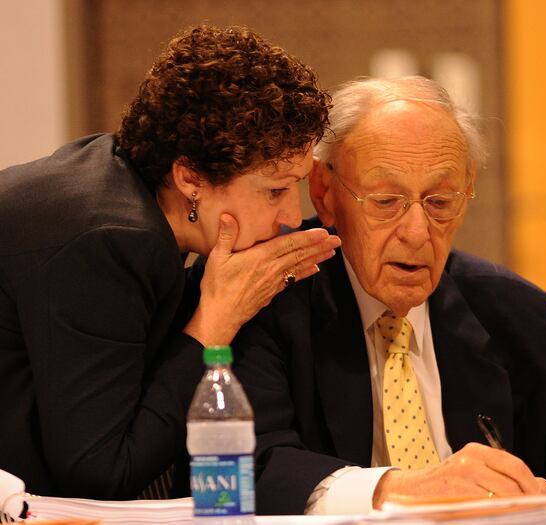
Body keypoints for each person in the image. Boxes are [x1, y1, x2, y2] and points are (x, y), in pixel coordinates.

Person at [231, 76, 546, 514]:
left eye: (441, 201)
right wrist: (402, 489)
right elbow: (251, 466)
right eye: (386, 201)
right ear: (325, 193)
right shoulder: (267, 293)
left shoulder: (520, 315)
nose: (417, 233)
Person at [0, 25, 340, 499]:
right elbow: (103, 472)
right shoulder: (109, 239)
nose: (289, 218)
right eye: (275, 189)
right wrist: (215, 321)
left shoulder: (131, 196)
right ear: (190, 177)